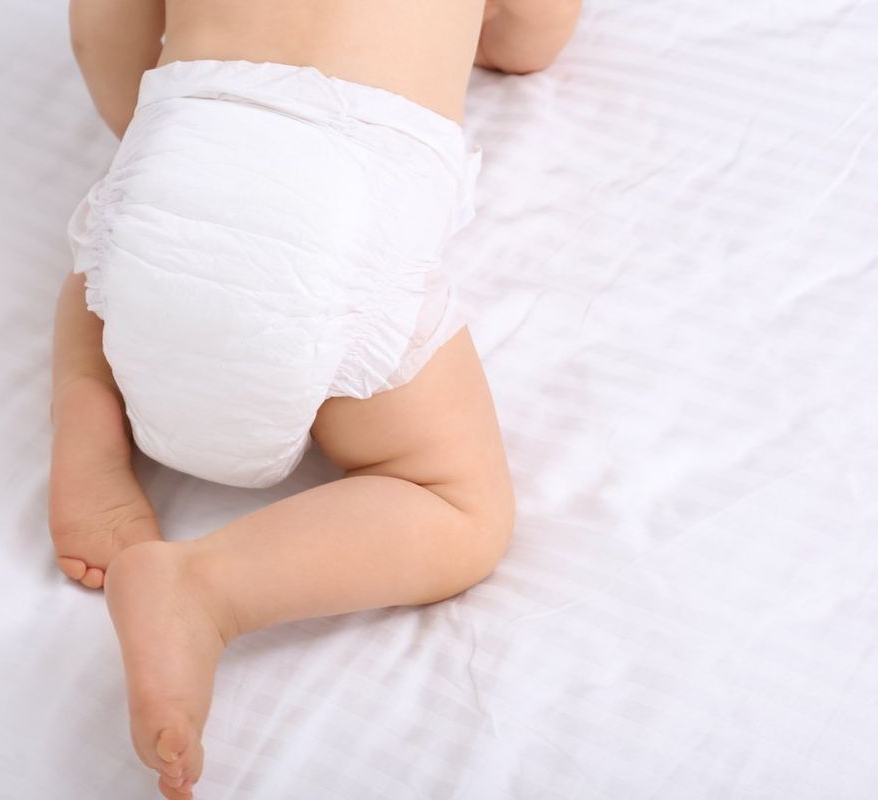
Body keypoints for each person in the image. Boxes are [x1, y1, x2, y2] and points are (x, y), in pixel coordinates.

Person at [49, 0, 581, 796]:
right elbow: (529, 43)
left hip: (184, 167)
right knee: (457, 504)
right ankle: (208, 589)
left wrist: (162, 148)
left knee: (96, 282)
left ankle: (88, 417)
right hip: (335, 220)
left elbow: (102, 29)